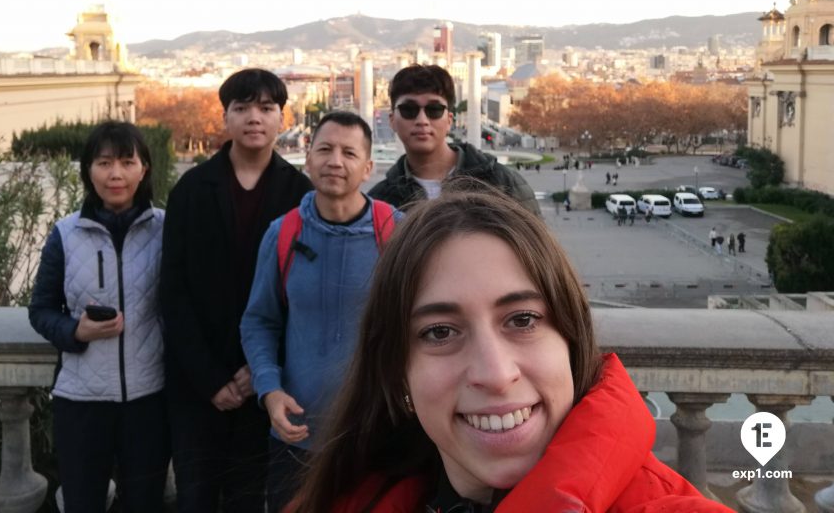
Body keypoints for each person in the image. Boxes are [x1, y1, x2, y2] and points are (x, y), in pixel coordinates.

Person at [289, 186, 729, 513]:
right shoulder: (344, 499)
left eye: (522, 320)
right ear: (396, 370)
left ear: (571, 340)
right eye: (440, 332)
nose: (496, 374)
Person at [161, 68, 313, 513]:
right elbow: (173, 290)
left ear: (282, 118)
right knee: (195, 498)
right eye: (242, 108)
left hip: (267, 386)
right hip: (196, 386)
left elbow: (301, 296)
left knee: (250, 499)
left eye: (266, 108)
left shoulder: (301, 194)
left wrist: (259, 370)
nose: (254, 118)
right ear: (225, 116)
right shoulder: (191, 189)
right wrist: (210, 378)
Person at [241, 111, 403, 512]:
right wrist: (269, 390)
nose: (335, 161)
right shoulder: (283, 233)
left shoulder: (396, 234)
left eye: (349, 153)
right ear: (308, 159)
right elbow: (259, 321)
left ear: (368, 168)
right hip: (297, 435)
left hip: (375, 435)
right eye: (325, 149)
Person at [29, 121, 169, 512]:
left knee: (145, 503)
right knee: (82, 503)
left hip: (149, 399)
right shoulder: (65, 234)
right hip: (81, 401)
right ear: (88, 171)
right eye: (104, 163)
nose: (115, 174)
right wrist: (77, 331)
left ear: (144, 169)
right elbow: (40, 310)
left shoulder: (166, 229)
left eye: (127, 162)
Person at [368, 65, 539, 216]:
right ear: (392, 120)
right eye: (408, 109)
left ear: (449, 120)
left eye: (434, 109)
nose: (422, 120)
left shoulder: (502, 184)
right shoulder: (379, 202)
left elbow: (535, 242)